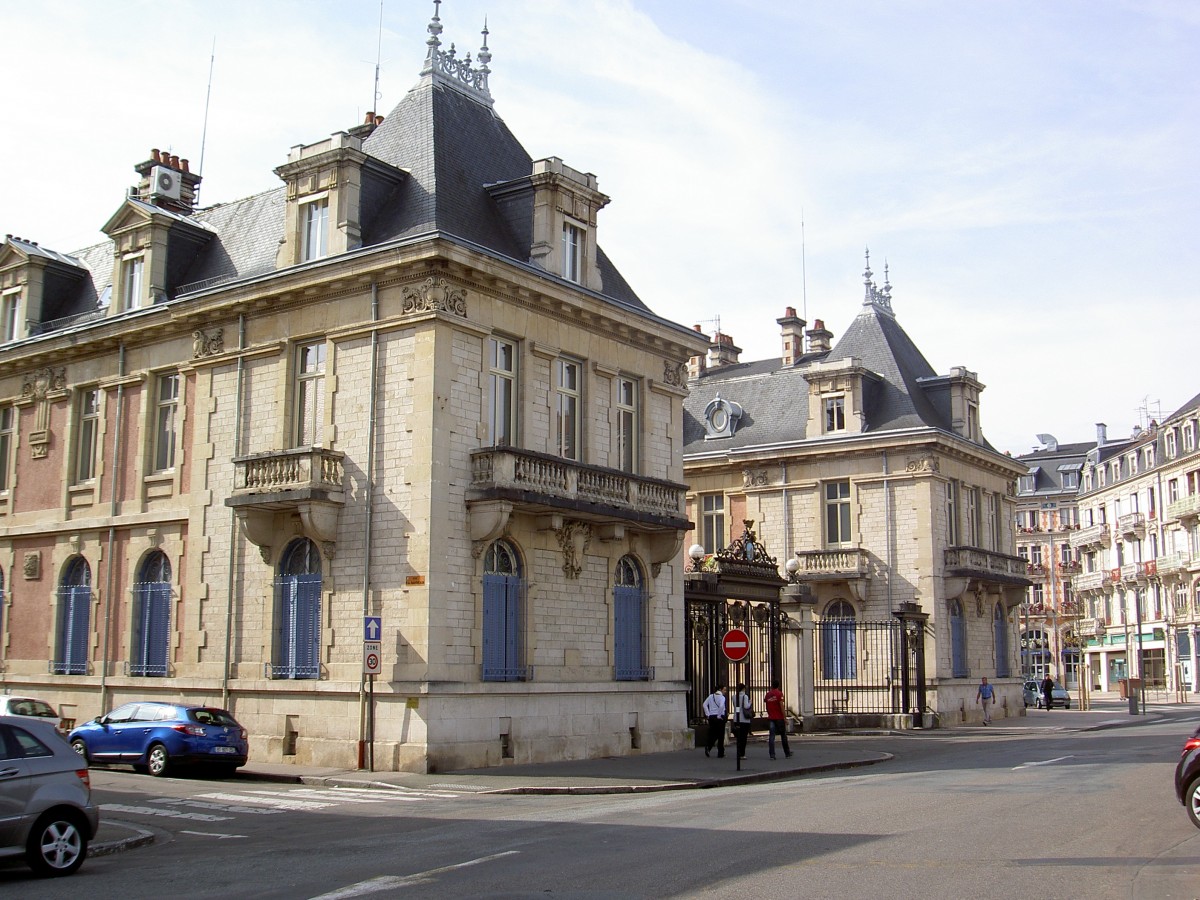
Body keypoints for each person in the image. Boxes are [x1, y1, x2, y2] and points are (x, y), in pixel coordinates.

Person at [763, 681, 794, 759]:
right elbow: (781, 707)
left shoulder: (768, 694)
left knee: (771, 736)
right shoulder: (779, 694)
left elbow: (766, 705)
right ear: (778, 686)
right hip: (779, 718)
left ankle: (772, 754)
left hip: (771, 718)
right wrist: (785, 718)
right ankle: (787, 753)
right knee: (783, 735)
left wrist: (770, 713)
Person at [702, 685, 728, 757]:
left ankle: (708, 747)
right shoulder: (722, 697)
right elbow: (721, 706)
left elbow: (704, 704)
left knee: (713, 733)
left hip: (712, 717)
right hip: (719, 717)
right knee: (720, 735)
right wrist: (719, 715)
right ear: (720, 689)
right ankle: (720, 753)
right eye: (724, 690)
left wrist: (708, 714)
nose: (725, 692)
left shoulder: (711, 696)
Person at [731, 682, 754, 760]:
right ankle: (742, 753)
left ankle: (738, 752)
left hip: (736, 719)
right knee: (744, 738)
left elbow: (735, 706)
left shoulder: (734, 696)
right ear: (743, 689)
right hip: (744, 720)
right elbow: (746, 706)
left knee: (739, 737)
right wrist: (750, 702)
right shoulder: (745, 696)